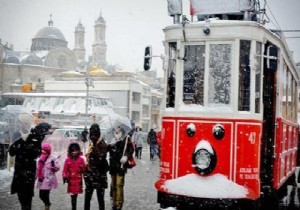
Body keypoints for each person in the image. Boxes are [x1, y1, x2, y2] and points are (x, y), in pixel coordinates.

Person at [9, 121, 51, 210]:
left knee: (26, 201)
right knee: (23, 199)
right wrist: (19, 142)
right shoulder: (20, 137)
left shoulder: (35, 137)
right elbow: (12, 152)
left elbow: (37, 153)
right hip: (21, 173)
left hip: (27, 173)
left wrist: (25, 143)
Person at [108, 126, 134, 210]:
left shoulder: (126, 138)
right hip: (112, 164)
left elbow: (131, 149)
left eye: (119, 127)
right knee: (114, 184)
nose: (117, 129)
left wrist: (126, 156)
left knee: (119, 184)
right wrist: (110, 145)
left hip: (121, 164)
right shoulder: (111, 137)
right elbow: (106, 150)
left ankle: (119, 203)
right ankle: (115, 202)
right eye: (116, 127)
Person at [83, 123, 109, 210]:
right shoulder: (90, 144)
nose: (92, 136)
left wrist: (95, 146)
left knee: (100, 199)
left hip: (100, 175)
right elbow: (88, 159)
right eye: (91, 134)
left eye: (94, 134)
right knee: (87, 198)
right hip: (90, 175)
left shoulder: (103, 144)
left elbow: (101, 158)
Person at [36, 143, 60, 210]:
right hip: (41, 179)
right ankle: (48, 203)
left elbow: (57, 168)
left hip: (49, 179)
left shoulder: (52, 158)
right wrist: (35, 177)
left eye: (45, 151)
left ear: (48, 151)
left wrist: (53, 165)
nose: (43, 152)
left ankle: (47, 206)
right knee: (41, 196)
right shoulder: (40, 159)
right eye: (42, 150)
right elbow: (37, 169)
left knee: (45, 194)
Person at [62, 142, 86, 210]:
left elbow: (84, 171)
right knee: (73, 198)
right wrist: (64, 176)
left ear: (78, 151)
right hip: (71, 182)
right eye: (73, 151)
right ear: (70, 151)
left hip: (78, 181)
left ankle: (74, 207)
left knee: (75, 196)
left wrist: (83, 169)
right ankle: (74, 208)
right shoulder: (67, 160)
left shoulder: (81, 160)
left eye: (76, 150)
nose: (74, 152)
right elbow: (65, 170)